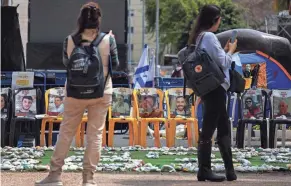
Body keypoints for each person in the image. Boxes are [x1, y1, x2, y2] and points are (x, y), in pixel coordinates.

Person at [35, 2, 119, 186]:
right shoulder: (108, 40)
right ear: (98, 19)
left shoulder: (70, 40)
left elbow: (67, 63)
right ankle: (88, 179)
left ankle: (54, 176)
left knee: (66, 133)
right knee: (95, 135)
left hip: (74, 93)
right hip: (102, 92)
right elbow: (116, 65)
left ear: (80, 19)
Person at [182, 4, 237, 182]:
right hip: (216, 88)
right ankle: (204, 169)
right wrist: (231, 50)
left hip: (207, 88)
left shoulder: (198, 37)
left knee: (222, 127)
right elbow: (223, 62)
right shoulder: (210, 37)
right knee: (210, 129)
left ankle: (230, 171)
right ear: (216, 20)